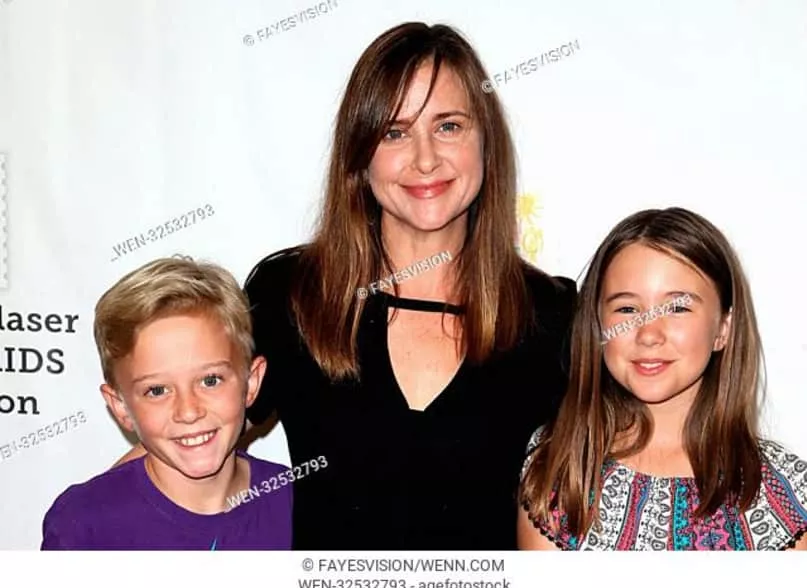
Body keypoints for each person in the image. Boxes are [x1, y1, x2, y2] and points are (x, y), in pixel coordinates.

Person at [116, 22, 576, 549]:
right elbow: (186, 435)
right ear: (360, 155)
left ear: (486, 143)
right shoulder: (292, 293)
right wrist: (92, 521)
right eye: (394, 133)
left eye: (448, 126)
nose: (426, 158)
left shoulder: (552, 314)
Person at [517, 207, 807, 551]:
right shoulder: (559, 468)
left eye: (677, 308)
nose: (649, 334)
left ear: (723, 329)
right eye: (627, 309)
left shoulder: (783, 493)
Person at [42, 258, 292, 550]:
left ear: (251, 382)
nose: (189, 411)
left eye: (210, 380)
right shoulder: (84, 525)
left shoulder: (295, 504)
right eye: (157, 390)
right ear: (120, 406)